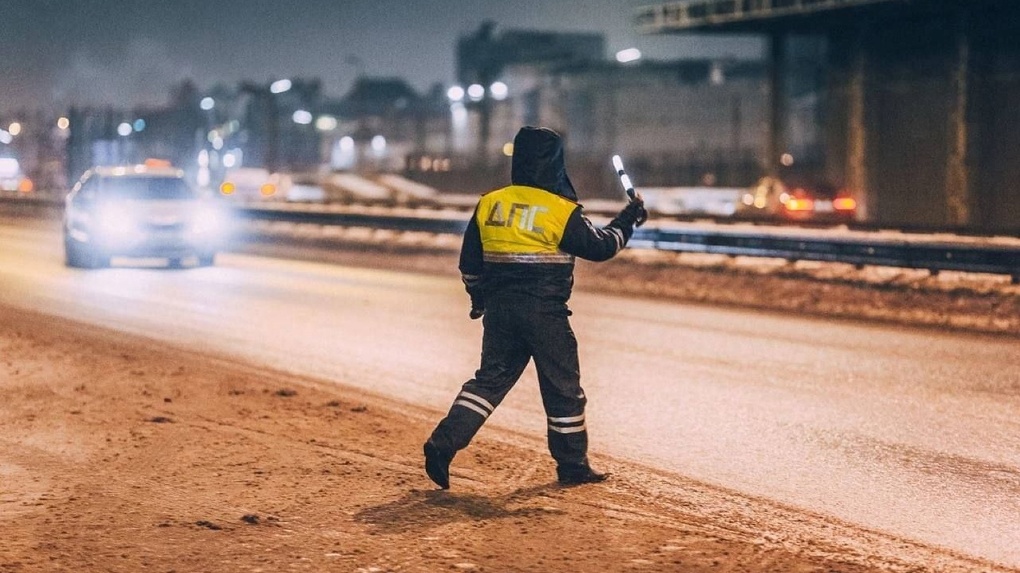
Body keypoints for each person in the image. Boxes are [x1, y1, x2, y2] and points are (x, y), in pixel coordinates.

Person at [423, 126, 648, 489]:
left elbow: (470, 265)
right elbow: (601, 247)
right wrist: (628, 220)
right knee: (562, 389)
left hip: (500, 313)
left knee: (488, 382)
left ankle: (442, 444)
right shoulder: (559, 210)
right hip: (546, 315)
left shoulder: (491, 204)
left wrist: (479, 300)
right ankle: (572, 465)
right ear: (556, 163)